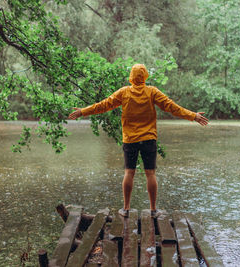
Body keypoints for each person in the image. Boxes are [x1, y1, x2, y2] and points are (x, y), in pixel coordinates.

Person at [68, 64, 208, 218]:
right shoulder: (152, 91)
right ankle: (153, 209)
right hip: (149, 139)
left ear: (131, 77)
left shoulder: (124, 92)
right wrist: (192, 116)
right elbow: (171, 107)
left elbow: (103, 105)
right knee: (150, 173)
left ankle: (126, 209)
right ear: (145, 76)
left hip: (130, 140)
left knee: (129, 172)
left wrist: (83, 111)